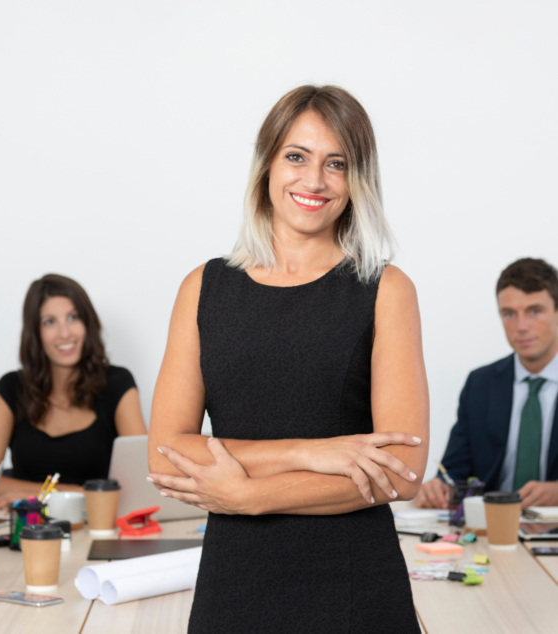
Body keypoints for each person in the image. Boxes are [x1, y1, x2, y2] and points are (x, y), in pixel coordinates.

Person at [147, 85, 428, 633]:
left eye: (336, 163)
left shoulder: (385, 289)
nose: (314, 180)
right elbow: (166, 456)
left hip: (353, 585)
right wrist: (314, 452)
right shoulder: (203, 288)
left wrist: (250, 495)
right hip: (235, 585)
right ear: (267, 165)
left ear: (357, 180)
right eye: (296, 156)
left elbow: (403, 470)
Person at [0, 274, 146, 509]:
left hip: (98, 529)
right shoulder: (11, 387)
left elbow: (141, 483)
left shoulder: (118, 383)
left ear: (88, 323)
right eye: (49, 322)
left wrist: (40, 493)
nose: (65, 333)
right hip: (28, 530)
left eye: (73, 317)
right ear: (35, 333)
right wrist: (73, 492)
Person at [416, 258, 558, 510]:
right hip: (491, 529)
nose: (521, 327)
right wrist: (441, 486)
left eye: (534, 311)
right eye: (509, 314)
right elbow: (455, 469)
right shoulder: (481, 384)